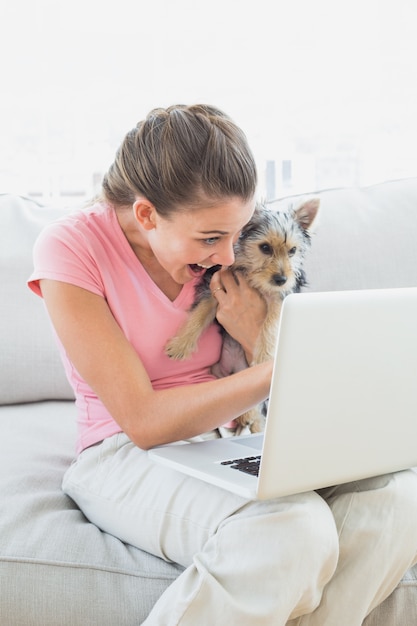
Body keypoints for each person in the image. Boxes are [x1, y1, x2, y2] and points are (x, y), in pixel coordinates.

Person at [28, 104, 417, 625]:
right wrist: (287, 369)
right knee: (292, 527)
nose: (229, 256)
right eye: (211, 239)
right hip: (121, 450)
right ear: (146, 215)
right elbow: (142, 420)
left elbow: (265, 342)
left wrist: (257, 334)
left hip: (230, 438)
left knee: (397, 499)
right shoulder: (72, 248)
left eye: (237, 235)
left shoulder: (226, 253)